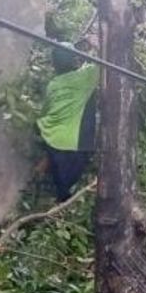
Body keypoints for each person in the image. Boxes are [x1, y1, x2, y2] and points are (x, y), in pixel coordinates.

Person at [36, 44, 99, 201]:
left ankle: (53, 202)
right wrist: (96, 46)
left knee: (61, 190)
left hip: (51, 139)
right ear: (74, 60)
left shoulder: (53, 84)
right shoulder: (85, 77)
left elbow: (44, 111)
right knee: (68, 194)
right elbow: (105, 63)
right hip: (73, 145)